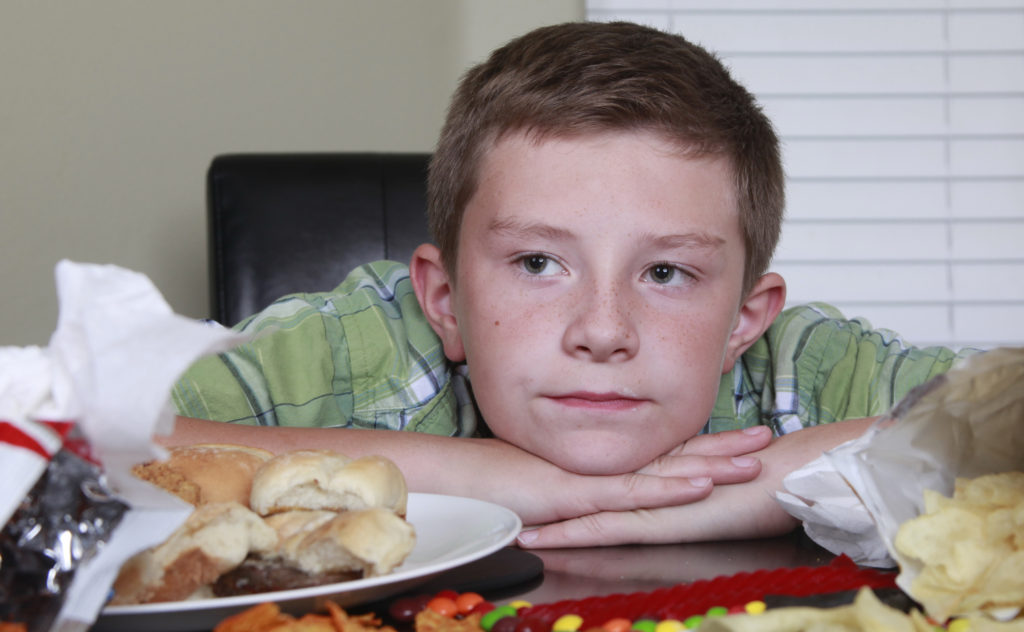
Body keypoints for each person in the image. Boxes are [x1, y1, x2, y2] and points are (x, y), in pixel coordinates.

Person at [168, 21, 971, 548]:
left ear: (743, 321)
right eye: (538, 263)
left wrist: (767, 482)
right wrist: (480, 478)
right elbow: (70, 443)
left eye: (665, 272)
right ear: (444, 302)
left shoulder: (806, 367)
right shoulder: (355, 348)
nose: (602, 329)